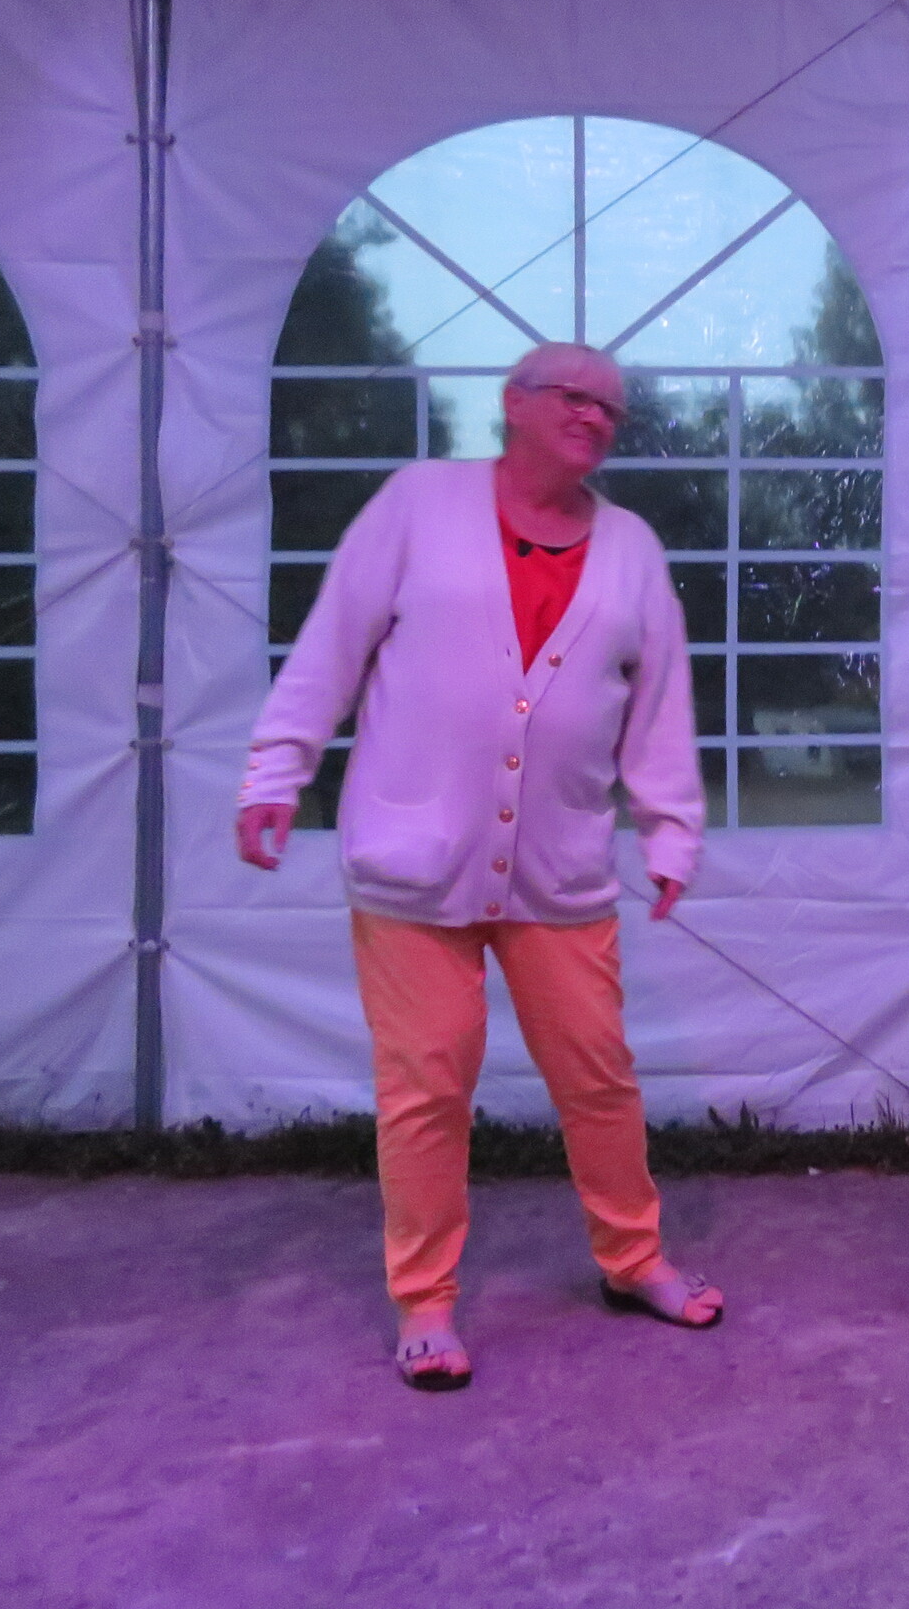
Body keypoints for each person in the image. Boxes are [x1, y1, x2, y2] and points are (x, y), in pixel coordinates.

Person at [237, 341, 723, 1390]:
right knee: (427, 1084)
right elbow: (330, 648)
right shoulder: (419, 503)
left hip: (558, 865)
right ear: (514, 404)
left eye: (611, 409)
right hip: (413, 859)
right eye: (573, 397)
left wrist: (671, 829)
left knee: (598, 1075)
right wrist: (276, 769)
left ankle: (633, 1259)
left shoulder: (631, 548)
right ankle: (425, 1300)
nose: (594, 417)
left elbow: (658, 702)